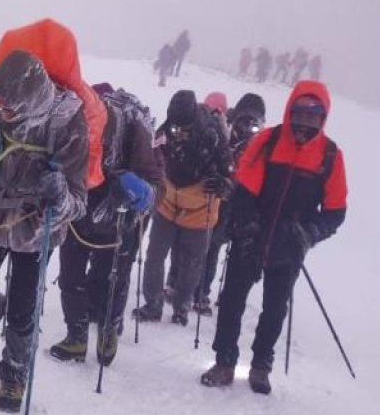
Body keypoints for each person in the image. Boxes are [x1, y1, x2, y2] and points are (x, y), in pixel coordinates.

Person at [0, 48, 88, 412]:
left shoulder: (67, 122)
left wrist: (58, 193)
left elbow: (79, 200)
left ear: (30, 102)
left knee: (23, 310)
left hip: (35, 226)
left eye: (7, 109)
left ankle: (13, 375)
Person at [201, 81, 347, 395]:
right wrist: (248, 225)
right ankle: (224, 362)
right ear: (290, 110)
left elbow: (335, 210)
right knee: (231, 301)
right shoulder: (267, 142)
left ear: (323, 116)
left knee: (275, 307)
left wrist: (308, 234)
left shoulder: (330, 156)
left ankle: (260, 367)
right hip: (250, 238)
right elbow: (244, 189)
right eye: (300, 112)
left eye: (314, 114)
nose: (305, 121)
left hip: (289, 246)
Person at [50, 83, 161, 364]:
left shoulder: (132, 127)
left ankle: (107, 330)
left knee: (110, 277)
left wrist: (136, 189)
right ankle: (78, 336)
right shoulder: (72, 121)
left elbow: (154, 183)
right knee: (71, 277)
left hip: (120, 215)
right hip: (80, 210)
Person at [134, 90, 233, 326]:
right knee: (155, 256)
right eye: (175, 127)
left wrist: (222, 184)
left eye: (183, 129)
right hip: (167, 204)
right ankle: (152, 304)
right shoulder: (164, 131)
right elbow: (152, 160)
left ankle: (182, 306)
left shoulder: (213, 136)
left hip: (200, 212)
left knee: (191, 264)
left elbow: (230, 177)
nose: (178, 133)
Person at [192, 93, 265, 315]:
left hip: (238, 202)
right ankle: (196, 289)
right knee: (207, 245)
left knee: (214, 246)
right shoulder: (223, 130)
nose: (248, 125)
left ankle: (203, 291)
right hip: (219, 197)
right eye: (245, 119)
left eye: (254, 122)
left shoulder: (260, 144)